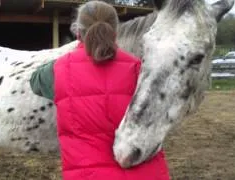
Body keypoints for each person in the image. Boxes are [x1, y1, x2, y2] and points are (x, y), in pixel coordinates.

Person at [30, 1, 170, 180]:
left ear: (78, 32)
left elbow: (35, 81)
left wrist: (69, 56)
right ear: (115, 31)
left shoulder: (57, 71)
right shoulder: (140, 70)